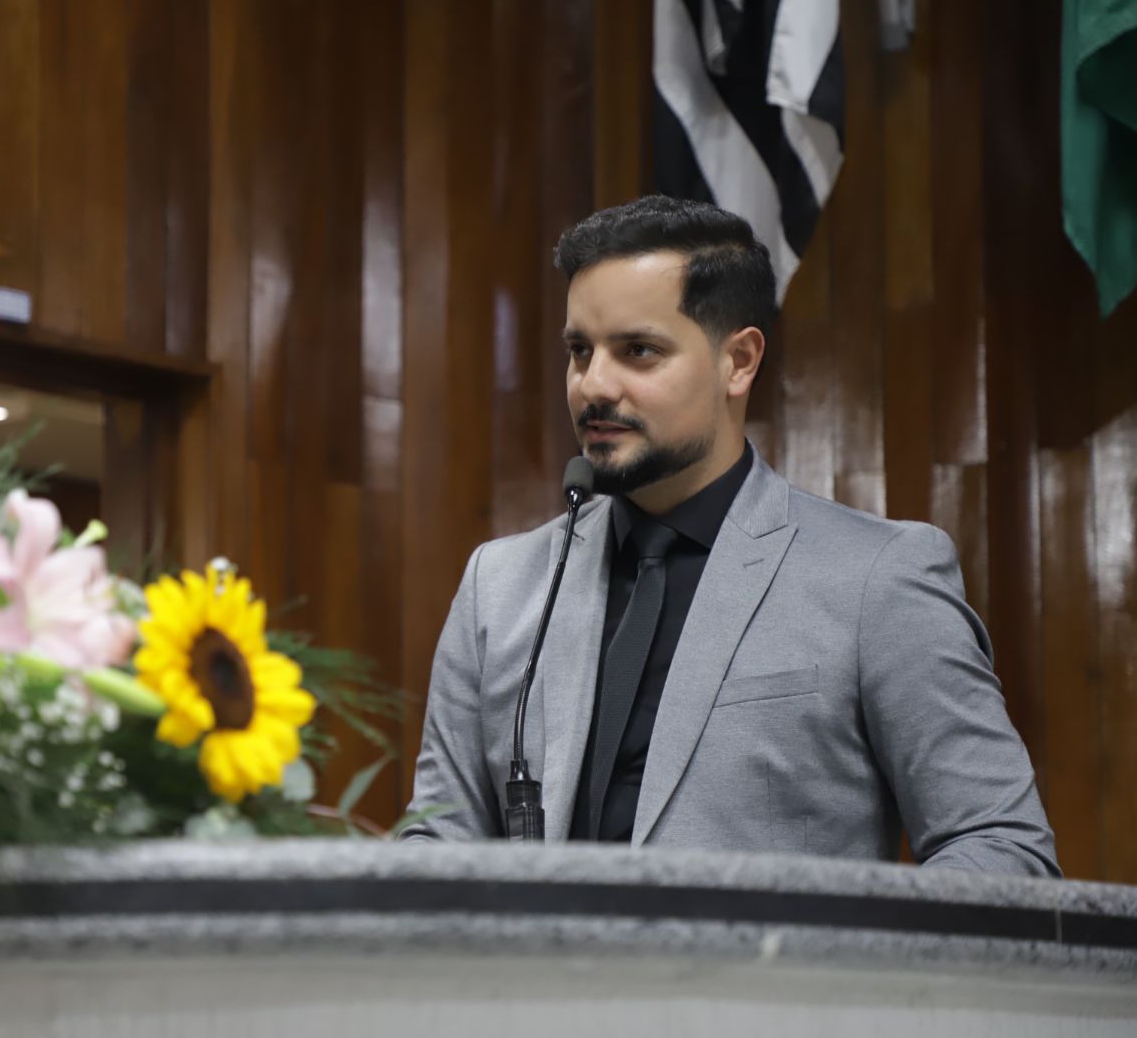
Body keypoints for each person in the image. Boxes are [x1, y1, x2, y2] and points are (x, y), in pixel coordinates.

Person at [401, 195, 1059, 877]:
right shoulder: (500, 584)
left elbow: (1002, 847)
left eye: (638, 351)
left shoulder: (877, 579)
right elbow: (436, 840)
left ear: (738, 361)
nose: (593, 385)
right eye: (579, 351)